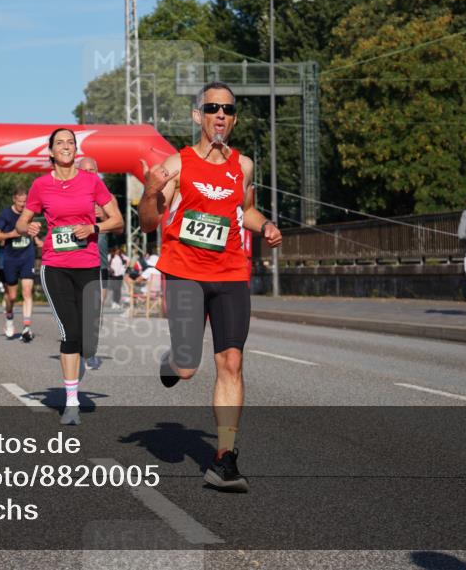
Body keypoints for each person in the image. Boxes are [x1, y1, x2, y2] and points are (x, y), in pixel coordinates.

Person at [139, 81, 282, 492]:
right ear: (197, 115)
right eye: (213, 107)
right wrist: (151, 190)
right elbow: (150, 221)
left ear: (234, 119)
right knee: (186, 368)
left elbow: (246, 211)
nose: (221, 114)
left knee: (232, 363)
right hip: (184, 270)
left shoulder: (245, 165)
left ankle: (224, 460)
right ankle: (172, 361)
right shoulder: (177, 164)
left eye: (229, 110)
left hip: (232, 273)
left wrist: (267, 225)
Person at [16, 128, 124, 425]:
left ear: (76, 150)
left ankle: (80, 359)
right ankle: (72, 402)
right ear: (50, 152)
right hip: (56, 266)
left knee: (88, 338)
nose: (66, 146)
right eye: (60, 143)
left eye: (71, 143)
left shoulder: (92, 182)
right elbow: (22, 222)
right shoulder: (40, 186)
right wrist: (31, 228)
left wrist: (94, 228)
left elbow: (117, 219)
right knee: (70, 332)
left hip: (88, 265)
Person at [77, 156, 119, 370]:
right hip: (74, 259)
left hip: (99, 262)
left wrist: (103, 220)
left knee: (96, 309)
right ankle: (77, 345)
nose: (89, 173)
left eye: (93, 169)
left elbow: (120, 228)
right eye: (85, 170)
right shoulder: (71, 194)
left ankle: (90, 350)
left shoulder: (107, 197)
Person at [0, 188, 43, 342]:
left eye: (25, 202)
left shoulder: (30, 213)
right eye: (20, 202)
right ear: (14, 200)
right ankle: (9, 318)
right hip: (10, 257)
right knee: (12, 296)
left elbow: (33, 230)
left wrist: (37, 238)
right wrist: (12, 234)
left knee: (27, 292)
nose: (23, 205)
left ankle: (27, 327)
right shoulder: (6, 214)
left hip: (27, 256)